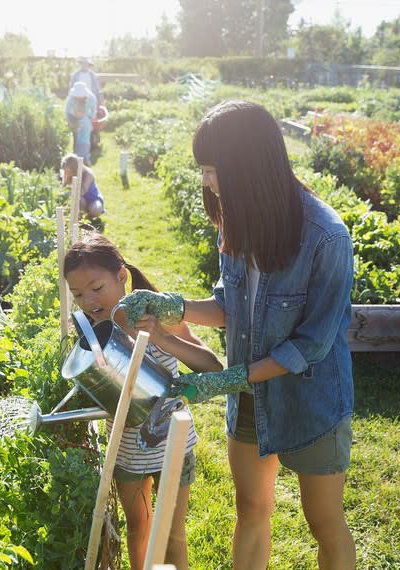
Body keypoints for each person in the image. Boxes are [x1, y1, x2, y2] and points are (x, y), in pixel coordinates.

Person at [117, 100, 356, 569]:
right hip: (248, 394)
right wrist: (174, 307)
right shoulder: (236, 220)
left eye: (212, 168)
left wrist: (228, 378)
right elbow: (230, 307)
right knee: (250, 509)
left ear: (249, 167)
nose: (206, 180)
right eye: (203, 169)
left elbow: (312, 345)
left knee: (323, 522)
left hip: (312, 399)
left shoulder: (327, 237)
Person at [63, 232, 222, 570]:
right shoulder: (90, 337)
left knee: (171, 534)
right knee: (139, 528)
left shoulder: (156, 312)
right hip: (125, 448)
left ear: (122, 276)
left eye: (96, 288)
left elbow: (211, 366)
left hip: (173, 443)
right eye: (77, 294)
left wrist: (161, 338)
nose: (88, 301)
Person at [61, 153, 104, 219]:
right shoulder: (69, 175)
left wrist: (70, 194)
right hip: (82, 200)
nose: (67, 173)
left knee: (95, 209)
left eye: (69, 171)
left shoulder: (88, 174)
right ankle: (77, 217)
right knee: (69, 195)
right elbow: (63, 189)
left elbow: (82, 192)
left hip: (93, 199)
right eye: (66, 171)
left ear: (74, 168)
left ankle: (88, 219)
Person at [65, 81, 97, 165]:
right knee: (85, 158)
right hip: (84, 139)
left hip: (82, 143)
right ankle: (87, 172)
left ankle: (80, 173)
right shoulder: (71, 99)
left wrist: (78, 125)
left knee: (79, 158)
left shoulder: (92, 98)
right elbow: (67, 113)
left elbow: (93, 111)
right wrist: (72, 122)